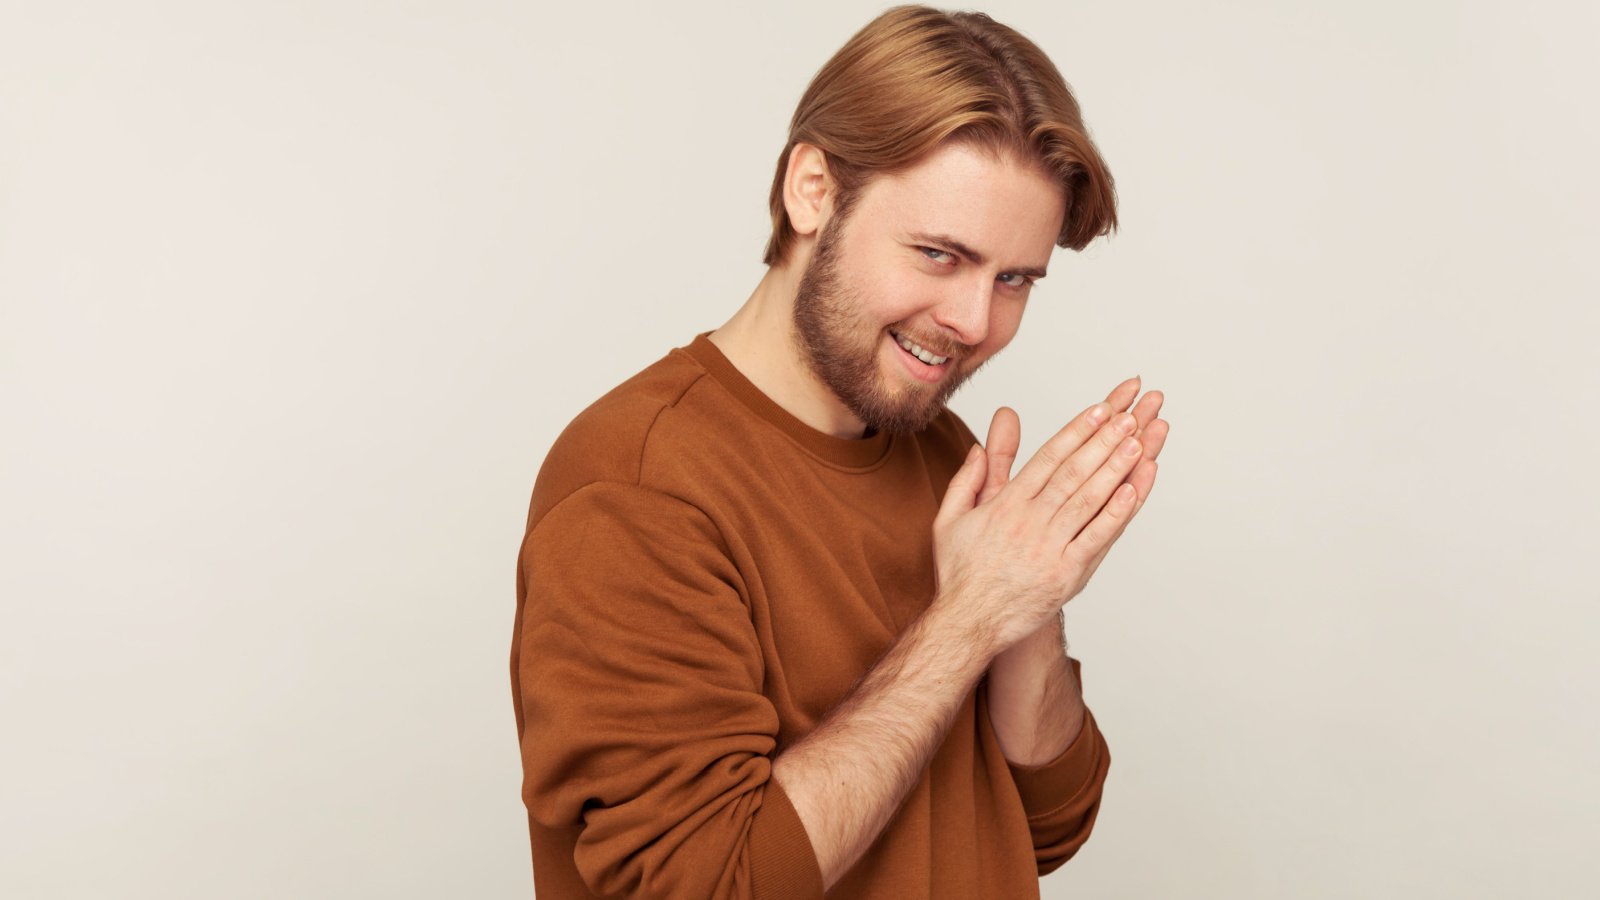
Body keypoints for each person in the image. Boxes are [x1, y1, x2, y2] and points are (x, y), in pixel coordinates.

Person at [510, 5, 1169, 898]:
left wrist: (1029, 600)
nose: (976, 323)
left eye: (1014, 279)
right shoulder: (636, 487)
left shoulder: (941, 452)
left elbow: (1048, 822)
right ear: (812, 190)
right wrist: (970, 616)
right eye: (941, 254)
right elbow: (714, 884)